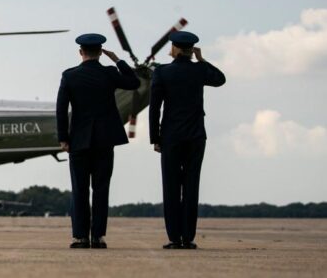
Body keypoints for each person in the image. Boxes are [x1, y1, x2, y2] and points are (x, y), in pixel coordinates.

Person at [56, 33, 140, 249]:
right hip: (105, 139)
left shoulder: (69, 75)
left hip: (78, 140)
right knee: (101, 188)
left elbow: (61, 109)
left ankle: (80, 237)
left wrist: (63, 138)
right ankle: (98, 236)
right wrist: (118, 61)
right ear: (100, 52)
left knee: (79, 189)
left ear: (80, 52)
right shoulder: (110, 73)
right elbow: (134, 82)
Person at [149, 31, 226, 250]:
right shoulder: (199, 70)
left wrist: (155, 138)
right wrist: (202, 60)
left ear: (174, 49)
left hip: (171, 137)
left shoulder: (162, 72)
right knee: (191, 187)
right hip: (195, 136)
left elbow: (155, 108)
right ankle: (188, 237)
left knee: (171, 187)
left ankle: (174, 237)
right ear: (191, 49)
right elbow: (220, 79)